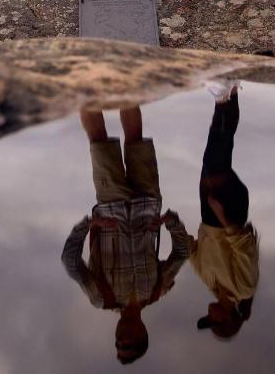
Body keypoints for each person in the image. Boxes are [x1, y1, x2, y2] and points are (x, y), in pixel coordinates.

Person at [61, 106, 190, 365]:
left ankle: (86, 91)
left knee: (98, 140)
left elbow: (70, 262)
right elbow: (182, 252)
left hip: (112, 205)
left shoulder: (101, 298)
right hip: (148, 203)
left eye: (118, 344)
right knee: (135, 136)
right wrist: (170, 222)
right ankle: (123, 90)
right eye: (127, 344)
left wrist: (88, 224)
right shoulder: (156, 290)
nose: (120, 339)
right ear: (142, 334)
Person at [189, 83, 260, 340]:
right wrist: (221, 214)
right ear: (228, 318)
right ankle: (222, 97)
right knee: (215, 158)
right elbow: (244, 248)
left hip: (207, 214)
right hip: (228, 214)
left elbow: (190, 251)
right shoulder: (244, 288)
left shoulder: (211, 283)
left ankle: (231, 92)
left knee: (217, 154)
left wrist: (168, 223)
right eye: (213, 320)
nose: (209, 315)